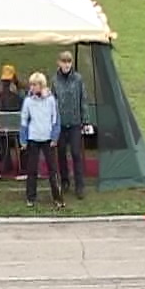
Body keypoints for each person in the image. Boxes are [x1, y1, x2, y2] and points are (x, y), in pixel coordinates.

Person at [20, 72, 64, 209]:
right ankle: (30, 198)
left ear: (41, 85)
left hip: (48, 139)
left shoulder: (51, 100)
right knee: (31, 169)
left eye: (35, 85)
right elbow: (23, 121)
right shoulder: (27, 101)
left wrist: (54, 137)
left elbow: (56, 120)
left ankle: (58, 198)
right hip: (33, 138)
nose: (32, 87)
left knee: (53, 170)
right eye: (31, 84)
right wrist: (23, 139)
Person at [52, 50, 89, 199]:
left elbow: (83, 100)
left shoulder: (78, 79)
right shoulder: (54, 80)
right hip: (60, 123)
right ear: (59, 63)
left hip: (74, 123)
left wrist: (85, 120)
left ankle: (79, 185)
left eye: (69, 62)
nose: (66, 64)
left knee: (76, 153)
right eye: (64, 61)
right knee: (61, 153)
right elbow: (52, 102)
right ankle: (65, 181)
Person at [0, 64, 24, 175]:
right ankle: (5, 164)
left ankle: (24, 165)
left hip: (18, 124)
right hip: (2, 124)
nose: (6, 83)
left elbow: (26, 105)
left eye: (9, 80)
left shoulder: (20, 89)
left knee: (25, 138)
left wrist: (17, 94)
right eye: (5, 80)